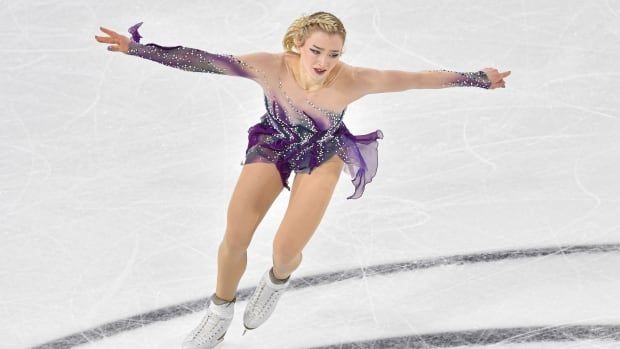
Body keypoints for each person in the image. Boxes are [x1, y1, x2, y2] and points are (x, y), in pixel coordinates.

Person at [95, 11, 510, 349]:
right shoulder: (269, 66)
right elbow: (205, 60)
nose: (324, 61)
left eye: (334, 53)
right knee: (235, 236)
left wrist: (475, 78)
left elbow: (417, 80)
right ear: (297, 44)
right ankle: (219, 313)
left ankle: (277, 280)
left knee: (285, 249)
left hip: (322, 154)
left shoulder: (354, 80)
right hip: (273, 143)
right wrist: (137, 49)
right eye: (316, 50)